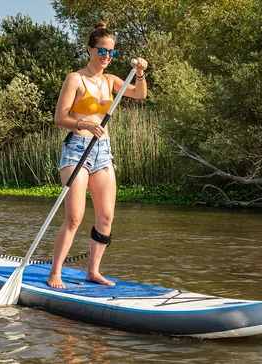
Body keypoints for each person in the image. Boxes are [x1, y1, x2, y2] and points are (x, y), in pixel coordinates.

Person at [47, 21, 148, 289]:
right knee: (75, 217)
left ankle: (93, 271)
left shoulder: (112, 80)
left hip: (103, 151)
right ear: (90, 49)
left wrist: (139, 72)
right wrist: (85, 124)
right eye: (102, 51)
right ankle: (55, 273)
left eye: (111, 53)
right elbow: (59, 117)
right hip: (77, 149)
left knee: (105, 217)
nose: (106, 57)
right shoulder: (75, 78)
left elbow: (139, 94)